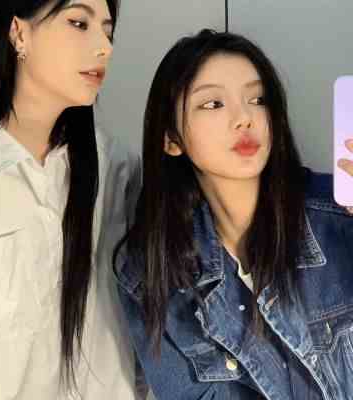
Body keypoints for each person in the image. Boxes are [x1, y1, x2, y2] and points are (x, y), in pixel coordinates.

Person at [115, 29, 353, 400]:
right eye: (213, 104)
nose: (244, 118)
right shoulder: (152, 274)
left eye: (258, 99)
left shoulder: (339, 218)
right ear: (171, 139)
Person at [0, 0, 140, 399]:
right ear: (19, 32)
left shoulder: (117, 170)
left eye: (108, 31)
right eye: (79, 23)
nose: (104, 47)